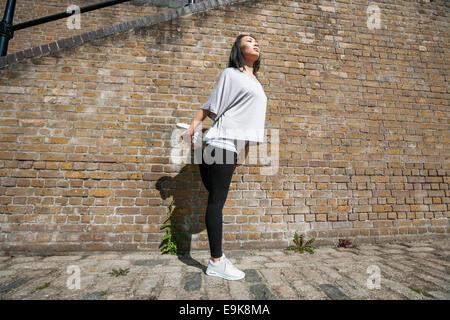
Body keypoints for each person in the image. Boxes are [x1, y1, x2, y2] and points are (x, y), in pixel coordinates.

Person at [181, 34, 267, 280]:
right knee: (216, 202)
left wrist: (246, 150)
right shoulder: (231, 74)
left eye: (257, 41)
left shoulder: (256, 83)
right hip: (221, 143)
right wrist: (191, 127)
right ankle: (216, 262)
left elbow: (251, 121)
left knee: (214, 196)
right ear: (238, 48)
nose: (255, 43)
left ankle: (199, 148)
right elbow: (210, 105)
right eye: (249, 40)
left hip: (228, 147)